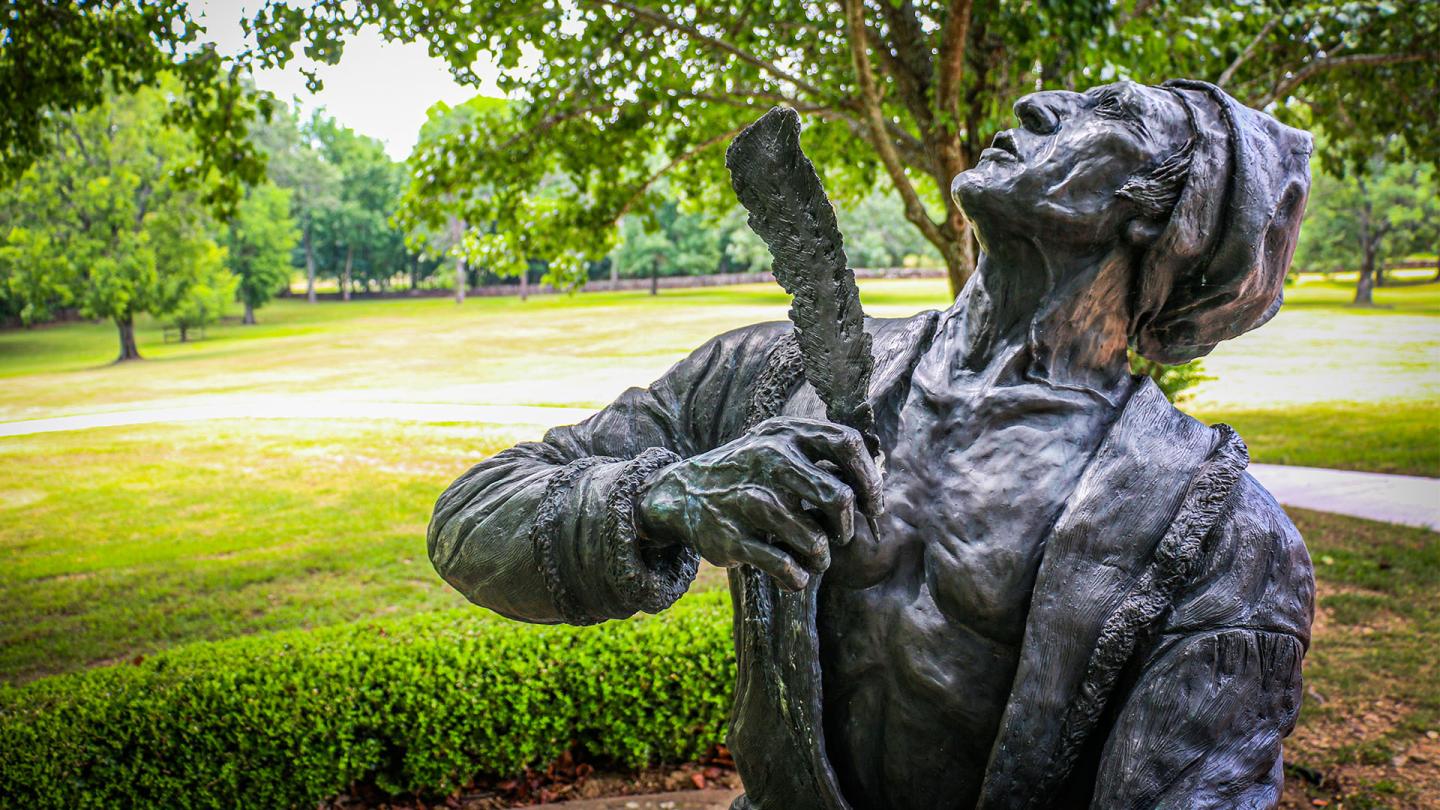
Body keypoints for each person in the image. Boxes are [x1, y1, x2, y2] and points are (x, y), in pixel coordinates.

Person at [428, 79, 1316, 810]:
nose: (1039, 104)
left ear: (1180, 218)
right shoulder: (774, 377)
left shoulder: (1221, 535)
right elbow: (471, 520)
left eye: (1111, 113)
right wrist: (667, 497)